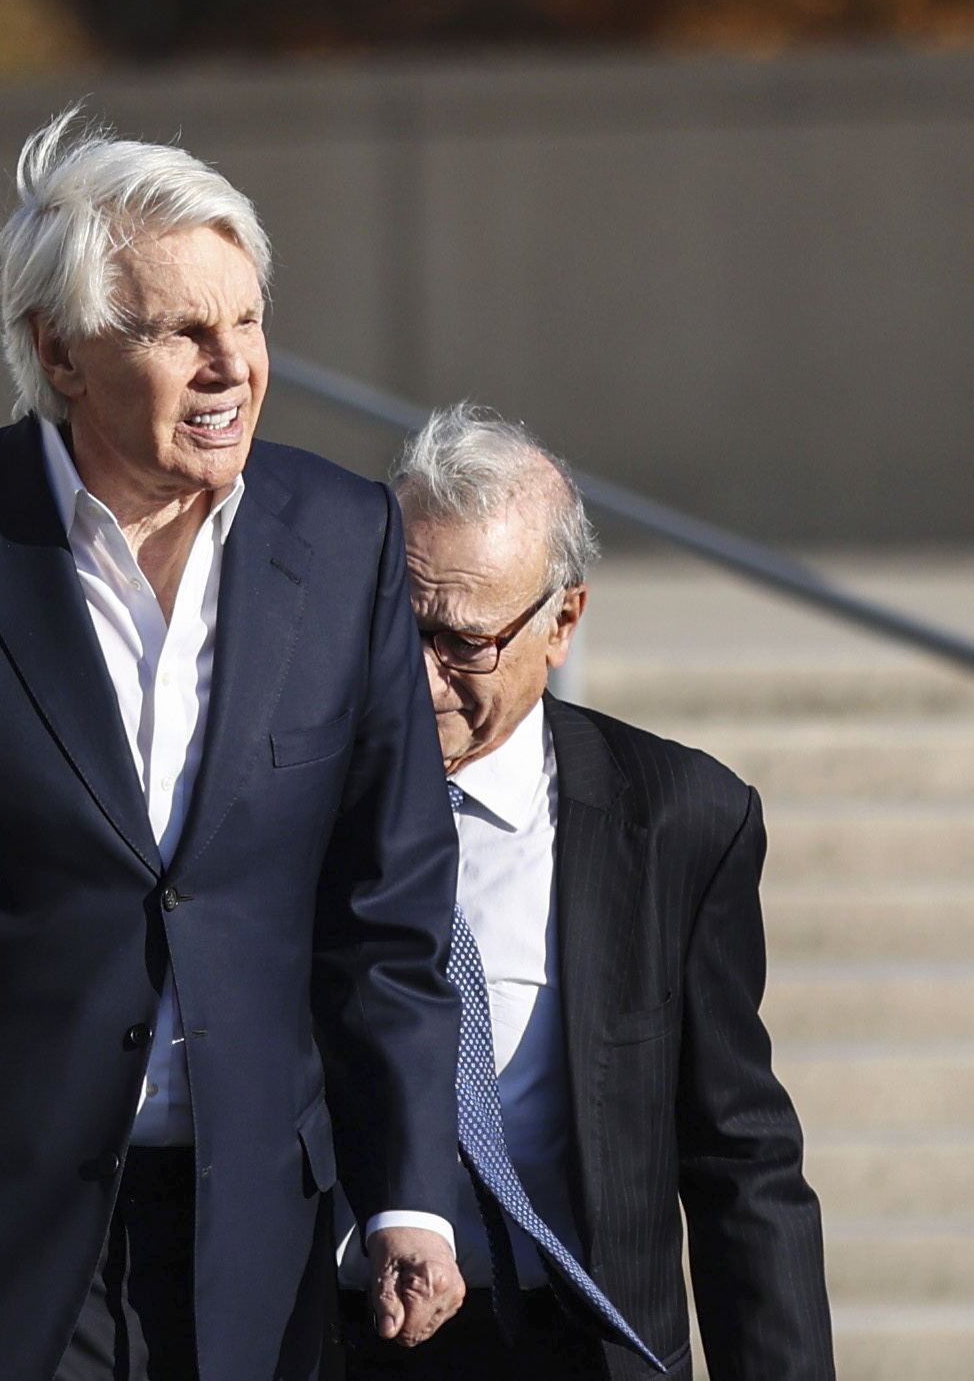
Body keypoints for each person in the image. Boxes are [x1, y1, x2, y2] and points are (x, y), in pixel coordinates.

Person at [0, 110, 465, 1381]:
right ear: (61, 349)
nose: (232, 365)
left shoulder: (344, 532)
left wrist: (409, 1188)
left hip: (256, 1233)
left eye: (247, 321)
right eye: (180, 331)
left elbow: (390, 904)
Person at [338, 403, 835, 1381]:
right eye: (394, 627)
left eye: (463, 642)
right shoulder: (290, 796)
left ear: (562, 621)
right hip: (339, 1338)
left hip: (579, 1340)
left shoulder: (679, 819)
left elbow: (741, 1162)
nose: (420, 678)